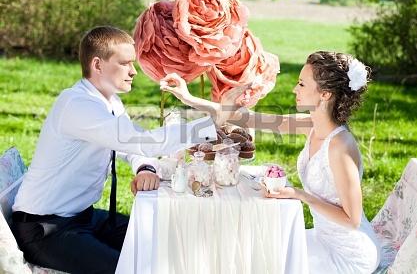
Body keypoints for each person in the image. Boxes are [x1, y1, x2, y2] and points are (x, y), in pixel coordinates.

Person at [11, 26, 219, 274]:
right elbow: (140, 140)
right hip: (47, 230)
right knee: (132, 269)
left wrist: (145, 167)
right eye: (125, 63)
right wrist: (211, 124)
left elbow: (129, 146)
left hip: (85, 217)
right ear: (97, 65)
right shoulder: (77, 105)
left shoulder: (109, 101)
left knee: (163, 243)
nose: (134, 71)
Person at [160, 51, 381, 273]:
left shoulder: (339, 146)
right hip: (323, 239)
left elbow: (352, 219)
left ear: (324, 94)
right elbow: (248, 118)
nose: (295, 89)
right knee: (257, 252)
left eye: (302, 84)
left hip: (348, 255)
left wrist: (299, 194)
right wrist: (187, 98)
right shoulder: (311, 125)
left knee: (265, 263)